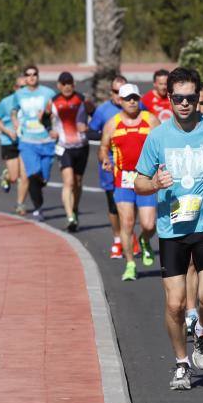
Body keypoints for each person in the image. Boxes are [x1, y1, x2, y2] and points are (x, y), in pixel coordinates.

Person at [135, 68, 203, 390]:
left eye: (191, 98)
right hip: (172, 229)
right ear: (168, 99)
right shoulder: (157, 137)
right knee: (174, 304)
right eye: (178, 98)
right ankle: (181, 364)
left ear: (199, 99)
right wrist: (154, 183)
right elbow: (139, 182)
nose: (184, 104)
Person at [99, 83, 161, 281]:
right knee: (127, 223)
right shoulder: (112, 123)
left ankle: (144, 240)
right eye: (127, 98)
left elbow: (163, 144)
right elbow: (103, 147)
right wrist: (105, 159)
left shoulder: (150, 120)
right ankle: (130, 264)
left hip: (147, 179)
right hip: (123, 179)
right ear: (120, 101)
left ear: (139, 98)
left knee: (149, 224)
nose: (132, 101)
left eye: (135, 97)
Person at [87, 75, 130, 258]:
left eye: (122, 92)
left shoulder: (137, 107)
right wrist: (107, 136)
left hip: (130, 163)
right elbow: (91, 131)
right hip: (110, 162)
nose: (119, 96)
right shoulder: (103, 110)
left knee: (130, 202)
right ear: (111, 92)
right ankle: (118, 239)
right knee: (113, 203)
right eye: (115, 92)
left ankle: (129, 234)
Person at [185, 82, 203, 333]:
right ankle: (191, 311)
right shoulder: (179, 130)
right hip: (183, 208)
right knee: (191, 263)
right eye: (197, 102)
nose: (199, 107)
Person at [11, 64, 57, 221]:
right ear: (24, 78)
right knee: (32, 174)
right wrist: (15, 121)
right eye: (28, 75)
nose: (31, 77)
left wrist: (49, 118)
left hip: (47, 141)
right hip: (28, 141)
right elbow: (13, 110)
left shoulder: (48, 93)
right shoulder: (19, 94)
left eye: (34, 74)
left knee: (43, 178)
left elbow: (55, 112)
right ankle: (38, 208)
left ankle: (38, 195)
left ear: (38, 76)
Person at [51, 71, 89, 232]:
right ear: (59, 85)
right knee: (69, 182)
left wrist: (89, 127)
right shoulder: (53, 101)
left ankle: (74, 209)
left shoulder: (81, 99)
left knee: (78, 183)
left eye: (69, 83)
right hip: (63, 147)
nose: (67, 87)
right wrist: (50, 131)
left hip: (81, 146)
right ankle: (70, 217)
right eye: (64, 84)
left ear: (73, 84)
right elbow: (45, 119)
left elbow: (94, 115)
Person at [0, 75, 29, 214]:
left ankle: (20, 204)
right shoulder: (6, 102)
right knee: (14, 177)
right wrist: (7, 131)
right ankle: (7, 176)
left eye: (26, 87)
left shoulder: (31, 103)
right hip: (9, 141)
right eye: (20, 87)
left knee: (25, 176)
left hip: (26, 142)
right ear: (15, 88)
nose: (23, 90)